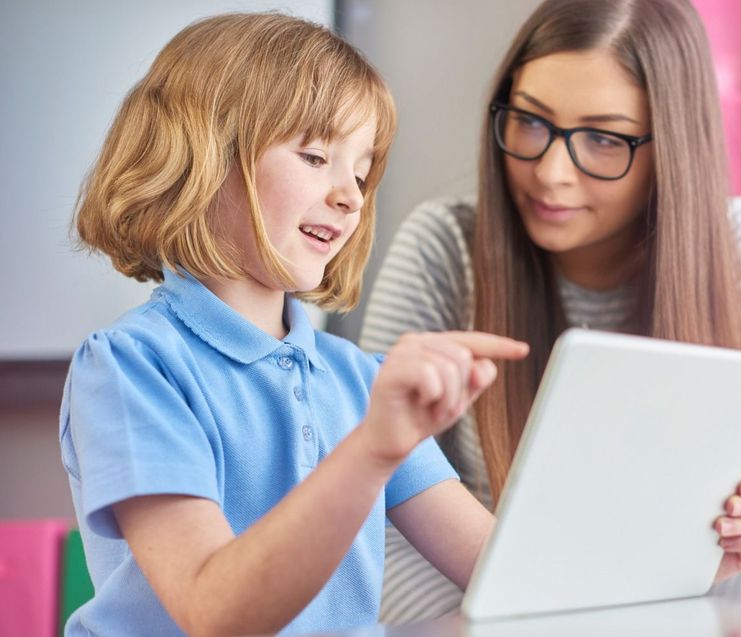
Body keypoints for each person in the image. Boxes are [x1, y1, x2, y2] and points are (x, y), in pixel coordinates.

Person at [360, 0, 741, 623]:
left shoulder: (738, 245)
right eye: (530, 121)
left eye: (605, 139)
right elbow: (369, 507)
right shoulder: (443, 246)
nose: (550, 173)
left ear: (672, 147)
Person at [59, 13, 529, 636]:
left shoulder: (360, 382)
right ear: (204, 156)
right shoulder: (130, 368)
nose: (352, 196)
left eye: (361, 173)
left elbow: (516, 578)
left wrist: (696, 555)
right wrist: (370, 452)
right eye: (315, 156)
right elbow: (214, 612)